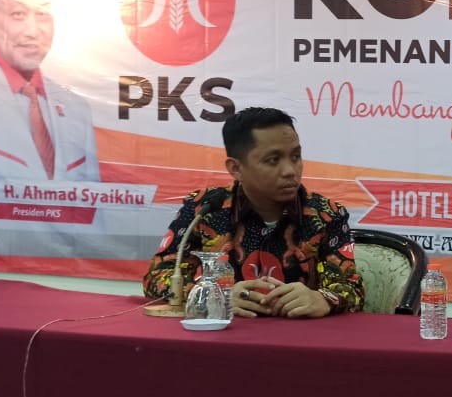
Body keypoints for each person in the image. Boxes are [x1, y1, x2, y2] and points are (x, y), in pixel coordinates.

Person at [144, 107, 364, 318]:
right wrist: (214, 296)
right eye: (273, 160)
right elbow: (157, 278)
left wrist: (322, 299)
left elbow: (351, 288)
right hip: (223, 335)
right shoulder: (204, 208)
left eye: (295, 156)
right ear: (236, 168)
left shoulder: (326, 214)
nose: (290, 171)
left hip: (300, 335)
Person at [0, 0, 99, 182]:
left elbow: (91, 199)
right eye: (18, 14)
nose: (32, 31)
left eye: (42, 13)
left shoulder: (77, 108)